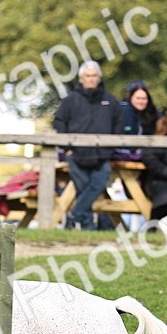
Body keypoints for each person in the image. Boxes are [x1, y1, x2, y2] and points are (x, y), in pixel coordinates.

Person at [53, 61, 123, 230]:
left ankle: (74, 216)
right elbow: (59, 122)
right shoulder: (70, 100)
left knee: (94, 186)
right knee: (84, 190)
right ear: (81, 79)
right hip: (76, 156)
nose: (91, 79)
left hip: (102, 156)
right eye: (88, 76)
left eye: (94, 76)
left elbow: (119, 125)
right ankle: (88, 226)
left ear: (99, 78)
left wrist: (110, 149)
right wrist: (67, 148)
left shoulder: (111, 101)